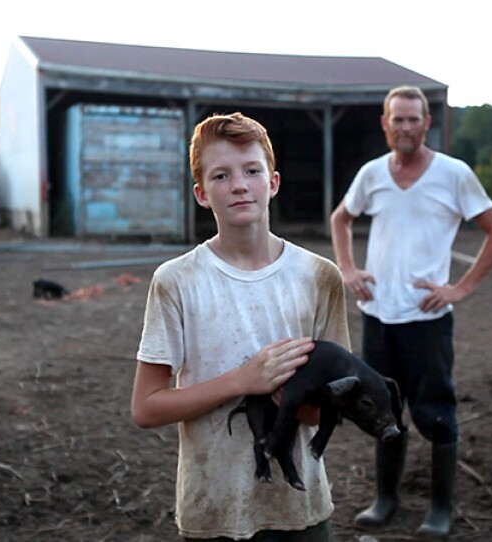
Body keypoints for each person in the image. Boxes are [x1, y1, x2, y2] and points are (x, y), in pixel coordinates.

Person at [131, 112, 351, 541]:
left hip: (299, 510)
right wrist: (243, 380)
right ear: (201, 193)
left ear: (273, 182)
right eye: (220, 175)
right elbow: (146, 407)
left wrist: (294, 397)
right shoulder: (176, 281)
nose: (238, 185)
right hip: (212, 510)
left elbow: (331, 406)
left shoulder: (320, 276)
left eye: (252, 170)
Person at [330, 86, 492, 538]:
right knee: (384, 410)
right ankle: (386, 499)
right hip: (378, 315)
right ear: (385, 124)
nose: (406, 127)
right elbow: (341, 218)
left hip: (427, 321)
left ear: (427, 123)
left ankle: (440, 508)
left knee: (435, 412)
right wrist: (348, 268)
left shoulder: (454, 174)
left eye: (414, 119)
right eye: (398, 119)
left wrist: (459, 289)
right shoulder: (373, 174)